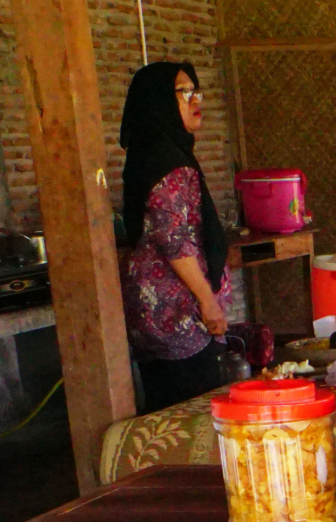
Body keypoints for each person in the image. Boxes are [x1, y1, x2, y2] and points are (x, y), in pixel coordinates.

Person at [119, 61, 231, 412]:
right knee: (193, 412)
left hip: (151, 310)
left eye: (196, 90)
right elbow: (175, 241)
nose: (196, 99)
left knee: (165, 409)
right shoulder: (171, 164)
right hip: (179, 313)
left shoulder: (146, 156)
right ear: (158, 102)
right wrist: (208, 301)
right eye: (184, 92)